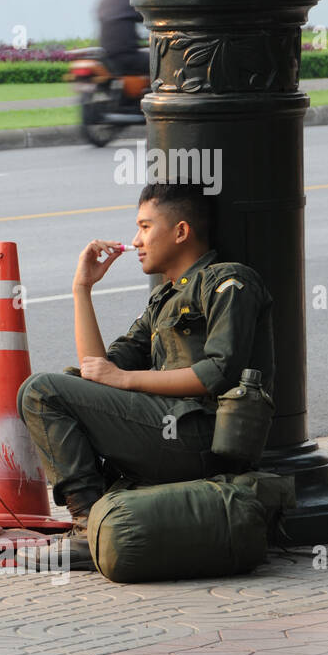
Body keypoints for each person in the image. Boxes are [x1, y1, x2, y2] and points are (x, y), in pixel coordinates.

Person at [17, 183, 274, 570]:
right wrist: (81, 289)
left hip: (202, 435)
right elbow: (96, 369)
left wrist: (124, 380)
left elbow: (217, 373)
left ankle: (88, 529)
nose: (136, 240)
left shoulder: (228, 281)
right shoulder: (163, 300)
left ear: (181, 231)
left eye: (145, 227)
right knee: (57, 386)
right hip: (168, 429)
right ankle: (92, 520)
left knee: (42, 391)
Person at [96, 0, 148, 78]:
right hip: (127, 55)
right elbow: (149, 17)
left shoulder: (104, 0)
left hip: (107, 55)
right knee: (161, 63)